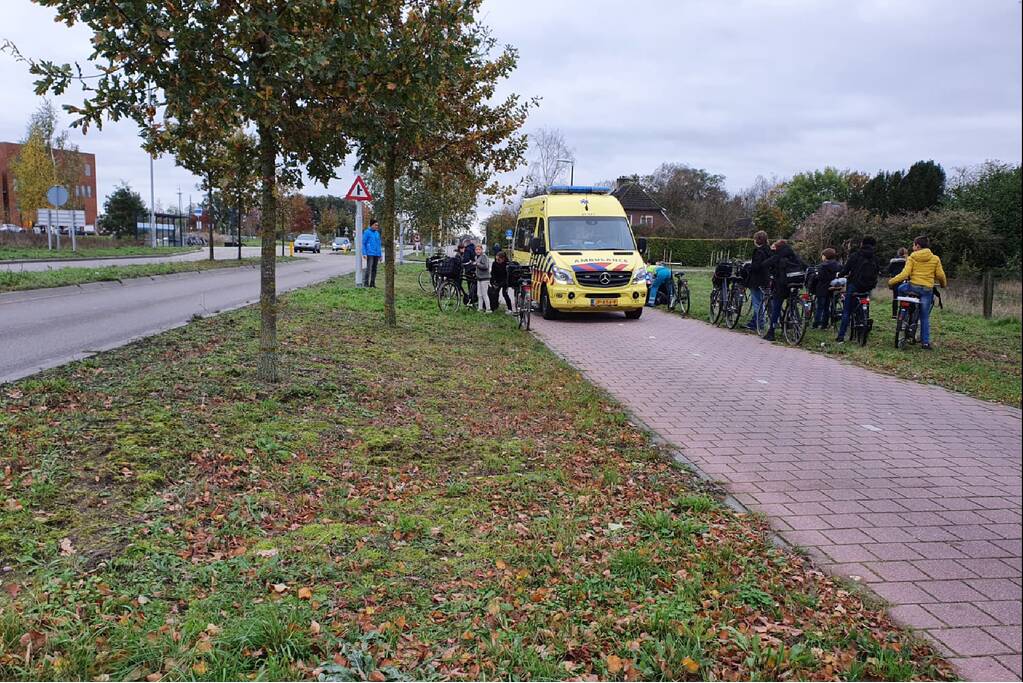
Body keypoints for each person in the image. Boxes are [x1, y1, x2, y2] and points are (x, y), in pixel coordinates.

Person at [888, 235, 947, 350]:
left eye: (913, 245)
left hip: (912, 287)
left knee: (900, 288)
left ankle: (903, 312)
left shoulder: (912, 257)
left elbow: (905, 274)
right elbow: (940, 275)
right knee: (924, 317)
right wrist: (943, 284)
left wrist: (891, 282)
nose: (912, 247)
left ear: (918, 246)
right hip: (926, 290)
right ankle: (925, 343)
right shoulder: (935, 259)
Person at [835, 236, 880, 343]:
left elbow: (846, 270)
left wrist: (839, 275)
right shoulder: (875, 258)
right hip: (868, 286)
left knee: (847, 311)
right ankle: (862, 327)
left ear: (862, 244)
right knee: (863, 307)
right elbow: (878, 271)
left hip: (854, 285)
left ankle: (841, 336)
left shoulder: (855, 256)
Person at [761, 239, 805, 341]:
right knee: (792, 302)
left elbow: (764, 264)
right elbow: (805, 266)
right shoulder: (794, 256)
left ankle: (771, 332)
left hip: (782, 285)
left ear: (777, 248)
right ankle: (794, 322)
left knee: (776, 306)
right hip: (796, 283)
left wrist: (772, 252)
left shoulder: (777, 256)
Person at [744, 231, 772, 331]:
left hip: (756, 280)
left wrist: (749, 267)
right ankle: (757, 322)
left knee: (757, 303)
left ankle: (759, 323)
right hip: (766, 279)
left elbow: (756, 266)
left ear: (758, 240)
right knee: (762, 302)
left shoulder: (758, 251)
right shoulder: (769, 250)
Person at [812, 248, 841, 329]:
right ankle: (825, 324)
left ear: (825, 256)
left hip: (822, 288)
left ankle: (816, 323)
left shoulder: (823, 266)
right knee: (827, 307)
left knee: (820, 307)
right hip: (831, 288)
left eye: (822, 255)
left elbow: (820, 277)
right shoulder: (838, 265)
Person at [888, 247, 908, 318]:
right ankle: (902, 314)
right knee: (904, 298)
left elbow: (889, 270)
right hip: (904, 280)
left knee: (895, 298)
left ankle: (894, 314)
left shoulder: (893, 262)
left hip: (895, 280)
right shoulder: (907, 262)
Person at [362, 219, 382, 287]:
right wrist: (364, 253)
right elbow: (363, 243)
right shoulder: (367, 232)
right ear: (371, 225)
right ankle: (366, 283)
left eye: (377, 225)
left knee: (374, 269)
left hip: (376, 254)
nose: (377, 226)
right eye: (375, 225)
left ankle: (372, 283)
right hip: (370, 253)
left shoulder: (377, 233)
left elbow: (379, 244)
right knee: (369, 268)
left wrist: (380, 254)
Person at [474, 247, 491, 312]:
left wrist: (477, 264)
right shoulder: (476, 257)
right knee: (479, 294)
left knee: (484, 294)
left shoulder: (484, 256)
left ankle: (488, 309)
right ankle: (480, 308)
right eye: (476, 249)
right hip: (479, 278)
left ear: (482, 250)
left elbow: (485, 266)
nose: (478, 251)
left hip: (485, 278)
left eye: (479, 249)